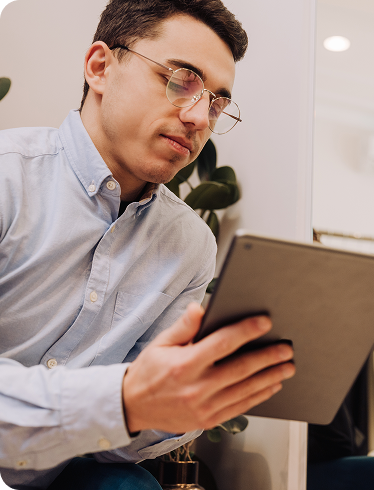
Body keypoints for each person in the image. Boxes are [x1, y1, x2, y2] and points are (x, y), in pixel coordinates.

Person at [0, 1, 296, 489]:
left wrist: (189, 398)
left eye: (218, 102)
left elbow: (124, 440)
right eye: (182, 79)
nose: (200, 117)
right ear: (100, 67)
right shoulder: (10, 178)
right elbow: (120, 406)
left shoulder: (189, 244)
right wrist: (123, 399)